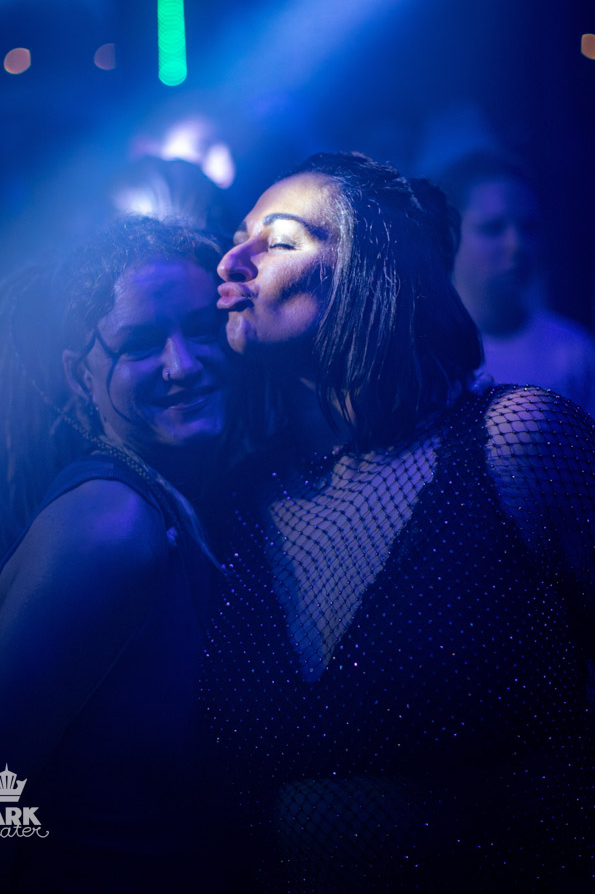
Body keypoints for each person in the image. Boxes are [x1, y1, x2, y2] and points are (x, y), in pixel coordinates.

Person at [204, 152, 595, 892]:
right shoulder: (239, 505)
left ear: (370, 273)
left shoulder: (513, 443)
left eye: (279, 241)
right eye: (237, 238)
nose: (234, 261)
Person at [0, 216, 234, 893]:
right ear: (78, 376)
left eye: (202, 329)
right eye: (141, 344)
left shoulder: (176, 503)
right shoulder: (108, 525)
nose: (183, 365)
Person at [442, 150, 595, 416]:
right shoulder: (425, 358)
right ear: (450, 236)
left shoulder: (572, 354)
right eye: (493, 228)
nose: (517, 245)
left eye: (529, 227)